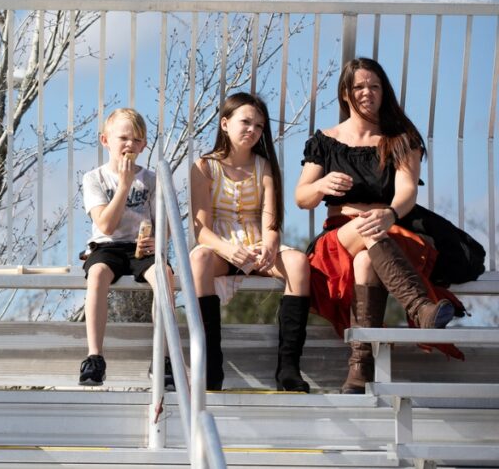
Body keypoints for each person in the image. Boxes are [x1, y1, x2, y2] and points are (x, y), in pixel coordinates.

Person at [296, 57, 462, 395]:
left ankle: (359, 369)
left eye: (374, 86)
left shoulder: (401, 139)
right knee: (365, 232)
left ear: (384, 91)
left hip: (387, 232)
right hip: (339, 237)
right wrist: (321, 185)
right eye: (359, 86)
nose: (367, 92)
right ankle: (420, 307)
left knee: (366, 260)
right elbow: (302, 198)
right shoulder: (325, 140)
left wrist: (389, 213)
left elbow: (407, 192)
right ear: (345, 93)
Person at [189, 92, 311, 392]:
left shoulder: (264, 166)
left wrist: (269, 244)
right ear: (225, 124)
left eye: (259, 126)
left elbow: (271, 221)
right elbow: (201, 230)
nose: (252, 130)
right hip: (221, 248)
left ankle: (289, 368)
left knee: (298, 262)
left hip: (257, 246)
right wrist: (229, 250)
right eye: (245, 122)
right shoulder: (204, 166)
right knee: (199, 259)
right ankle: (210, 365)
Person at [79, 108, 174, 388]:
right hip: (107, 246)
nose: (129, 144)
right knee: (97, 274)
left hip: (140, 248)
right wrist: (124, 185)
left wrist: (157, 238)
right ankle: (94, 357)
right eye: (123, 138)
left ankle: (162, 357)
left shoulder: (152, 179)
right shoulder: (94, 178)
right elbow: (106, 225)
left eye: (137, 139)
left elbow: (164, 225)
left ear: (144, 145)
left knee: (164, 275)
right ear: (105, 140)